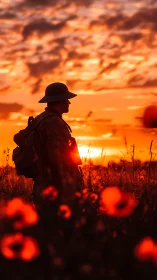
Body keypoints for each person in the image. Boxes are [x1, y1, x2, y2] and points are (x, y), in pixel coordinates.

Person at [32, 82, 84, 204]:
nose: (69, 103)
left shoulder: (40, 119)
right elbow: (59, 159)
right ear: (60, 101)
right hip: (54, 188)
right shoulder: (55, 123)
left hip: (42, 185)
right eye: (67, 99)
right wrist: (70, 185)